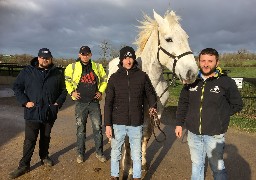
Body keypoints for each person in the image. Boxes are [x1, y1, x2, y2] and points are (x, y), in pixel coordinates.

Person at [175, 48, 243, 180]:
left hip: (214, 135)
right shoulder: (191, 81)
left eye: (210, 61)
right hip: (193, 133)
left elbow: (237, 104)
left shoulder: (226, 82)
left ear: (217, 62)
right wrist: (179, 124)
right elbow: (183, 103)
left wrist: (220, 116)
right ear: (199, 62)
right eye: (203, 61)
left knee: (217, 168)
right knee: (197, 165)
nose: (206, 64)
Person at [10, 48, 67, 179]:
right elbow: (17, 87)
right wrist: (25, 102)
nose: (44, 60)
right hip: (33, 112)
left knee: (46, 137)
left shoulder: (57, 73)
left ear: (51, 59)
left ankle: (44, 157)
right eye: (42, 57)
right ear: (38, 58)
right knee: (30, 140)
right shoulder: (27, 71)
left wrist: (57, 103)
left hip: (49, 113)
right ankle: (24, 165)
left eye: (47, 58)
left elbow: (64, 90)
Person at [104, 46, 157, 180]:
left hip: (136, 123)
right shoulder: (114, 78)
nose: (128, 61)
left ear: (134, 59)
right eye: (125, 58)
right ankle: (115, 176)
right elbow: (108, 103)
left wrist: (153, 106)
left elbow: (150, 93)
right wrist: (108, 124)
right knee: (116, 152)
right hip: (118, 123)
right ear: (121, 60)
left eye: (131, 58)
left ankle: (137, 177)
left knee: (137, 154)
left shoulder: (142, 76)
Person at [64, 46, 107, 163]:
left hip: (94, 103)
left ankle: (99, 153)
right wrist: (72, 92)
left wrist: (100, 91)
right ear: (79, 55)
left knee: (97, 129)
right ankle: (80, 154)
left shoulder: (97, 66)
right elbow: (67, 81)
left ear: (91, 55)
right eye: (83, 54)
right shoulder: (71, 67)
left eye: (87, 54)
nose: (85, 56)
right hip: (80, 104)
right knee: (80, 129)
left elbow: (104, 79)